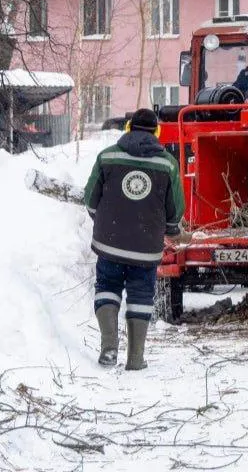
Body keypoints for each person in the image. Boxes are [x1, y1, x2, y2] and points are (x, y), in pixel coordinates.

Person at [83, 108, 185, 371]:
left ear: (128, 128)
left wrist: (104, 221)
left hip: (109, 243)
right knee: (140, 294)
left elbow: (90, 198)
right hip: (146, 247)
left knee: (107, 286)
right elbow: (175, 207)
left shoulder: (107, 156)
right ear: (157, 132)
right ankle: (135, 359)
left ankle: (108, 348)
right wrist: (171, 228)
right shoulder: (167, 163)